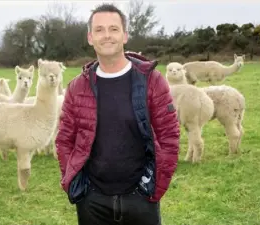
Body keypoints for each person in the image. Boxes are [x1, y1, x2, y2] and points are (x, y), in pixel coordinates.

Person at [55, 3, 180, 225]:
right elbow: (65, 140)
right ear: (90, 37)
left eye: (113, 29)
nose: (107, 36)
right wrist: (76, 184)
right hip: (93, 200)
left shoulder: (151, 81)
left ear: (125, 35)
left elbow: (168, 136)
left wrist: (155, 185)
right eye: (99, 30)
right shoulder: (77, 87)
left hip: (141, 197)